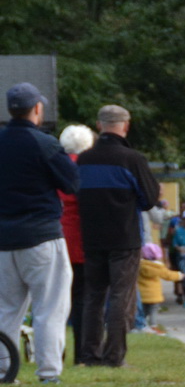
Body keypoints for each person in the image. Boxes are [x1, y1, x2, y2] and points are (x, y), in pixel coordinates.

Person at [0, 83, 78, 383]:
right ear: (37, 109)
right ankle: (48, 373)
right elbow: (71, 183)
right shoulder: (43, 143)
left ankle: (5, 370)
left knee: (6, 309)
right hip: (41, 236)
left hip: (4, 240)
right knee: (50, 307)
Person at [75, 104, 161, 368]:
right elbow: (149, 199)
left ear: (99, 126)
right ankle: (114, 357)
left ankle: (89, 354)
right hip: (124, 237)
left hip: (92, 237)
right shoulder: (132, 159)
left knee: (93, 296)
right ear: (125, 126)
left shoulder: (84, 159)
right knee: (120, 297)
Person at [57, 124, 94, 364]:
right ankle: (82, 354)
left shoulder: (56, 166)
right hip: (83, 240)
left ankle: (55, 353)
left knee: (56, 302)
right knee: (82, 299)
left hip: (58, 237)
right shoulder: (88, 168)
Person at [135, 242, 181, 333]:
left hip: (142, 295)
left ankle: (141, 325)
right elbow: (168, 275)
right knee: (153, 311)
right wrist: (179, 275)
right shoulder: (158, 267)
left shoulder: (139, 266)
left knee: (143, 310)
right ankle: (153, 325)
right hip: (154, 295)